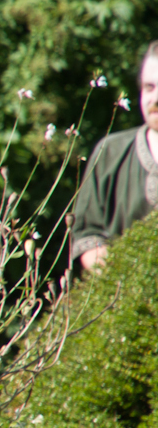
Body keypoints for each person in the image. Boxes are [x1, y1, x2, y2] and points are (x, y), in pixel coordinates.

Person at [71, 40, 158, 272]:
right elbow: (87, 235)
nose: (155, 98)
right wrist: (122, 276)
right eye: (149, 87)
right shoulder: (110, 153)